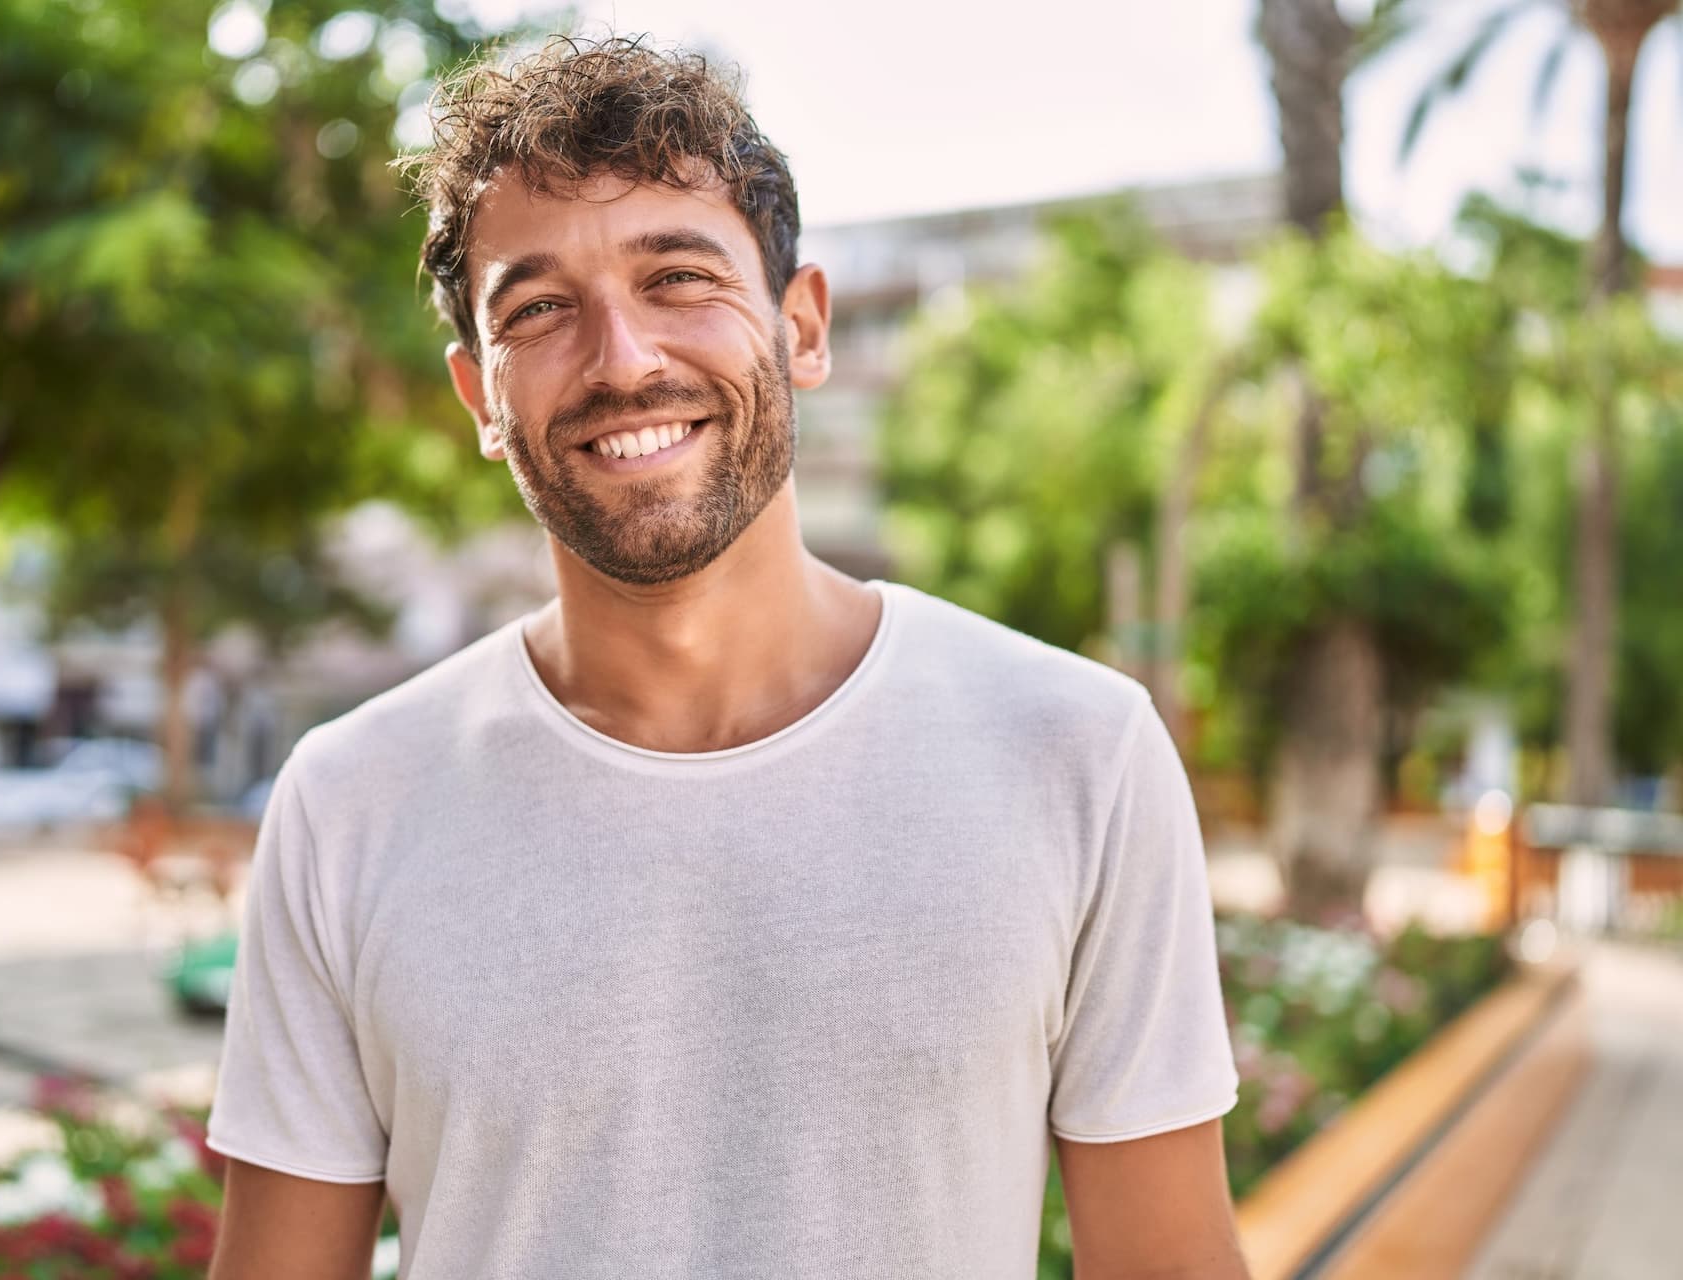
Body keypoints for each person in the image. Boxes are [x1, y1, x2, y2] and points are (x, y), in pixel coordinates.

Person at [206, 34, 1247, 1280]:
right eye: (538, 309)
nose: (623, 360)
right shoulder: (350, 798)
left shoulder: (1077, 750)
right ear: (480, 397)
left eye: (680, 277)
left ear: (801, 327)